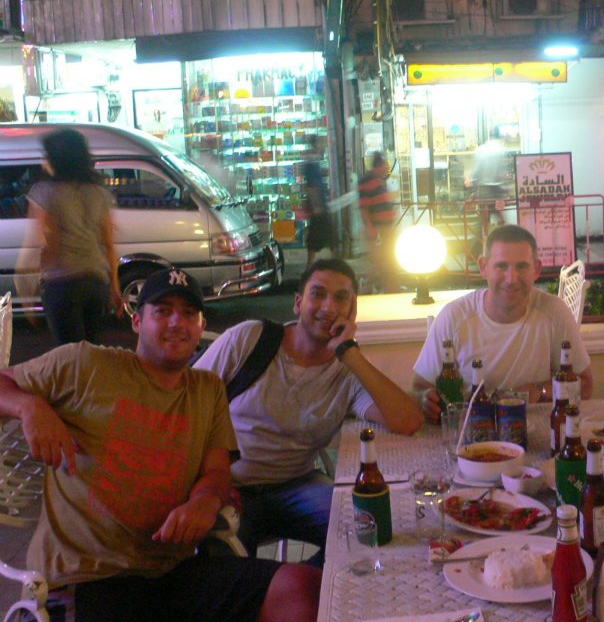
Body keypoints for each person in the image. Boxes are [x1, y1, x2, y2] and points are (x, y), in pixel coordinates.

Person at [0, 267, 321, 622]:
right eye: (163, 311)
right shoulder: (85, 364)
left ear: (200, 326)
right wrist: (28, 407)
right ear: (137, 321)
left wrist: (205, 500)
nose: (176, 322)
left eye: (188, 313)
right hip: (86, 578)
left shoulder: (207, 390)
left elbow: (217, 471)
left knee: (301, 588)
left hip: (172, 571)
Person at [192, 258, 423, 564]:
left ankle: (308, 582)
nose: (328, 307)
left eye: (341, 298)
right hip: (231, 486)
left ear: (352, 309)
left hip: (297, 485)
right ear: (298, 303)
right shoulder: (249, 340)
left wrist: (349, 351)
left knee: (369, 529)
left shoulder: (348, 372)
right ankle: (279, 585)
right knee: (222, 563)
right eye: (318, 294)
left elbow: (407, 421)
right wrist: (208, 484)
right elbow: (187, 406)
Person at [413, 224, 593, 424]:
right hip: (472, 431)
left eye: (522, 267)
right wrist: (425, 400)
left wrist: (539, 390)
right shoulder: (454, 317)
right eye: (501, 266)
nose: (511, 279)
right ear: (483, 267)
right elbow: (419, 387)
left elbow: (585, 386)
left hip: (536, 432)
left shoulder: (555, 312)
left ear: (536, 269)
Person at [19, 128, 123, 343]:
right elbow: (109, 245)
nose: (43, 161)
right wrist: (115, 287)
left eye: (46, 155)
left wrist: (28, 286)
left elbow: (47, 244)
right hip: (96, 282)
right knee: (91, 349)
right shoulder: (99, 192)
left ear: (57, 158)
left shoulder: (44, 192)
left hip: (61, 283)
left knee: (70, 353)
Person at [357, 151, 399, 293]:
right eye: (384, 166)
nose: (386, 168)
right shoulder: (367, 182)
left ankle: (386, 286)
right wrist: (370, 227)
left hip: (385, 227)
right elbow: (363, 207)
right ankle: (369, 286)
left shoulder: (379, 180)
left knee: (385, 259)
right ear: (377, 167)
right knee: (381, 259)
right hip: (378, 228)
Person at [303, 155, 335, 265]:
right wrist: (317, 207)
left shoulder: (311, 181)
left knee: (314, 241)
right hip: (320, 215)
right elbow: (313, 191)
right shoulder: (315, 180)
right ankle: (327, 262)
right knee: (321, 237)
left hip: (317, 215)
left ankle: (310, 264)